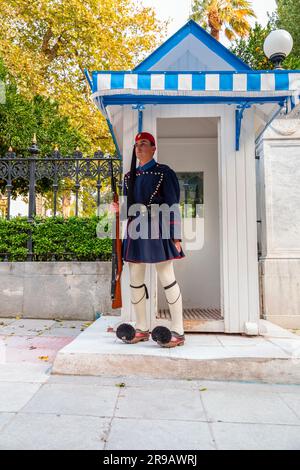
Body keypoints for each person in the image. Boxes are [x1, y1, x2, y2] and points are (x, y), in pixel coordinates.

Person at [111, 132, 186, 348]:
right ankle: (142, 328)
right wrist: (118, 209)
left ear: (154, 148)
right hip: (136, 230)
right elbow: (128, 210)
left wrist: (176, 236)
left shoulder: (164, 172)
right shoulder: (128, 177)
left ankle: (178, 331)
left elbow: (173, 204)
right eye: (136, 145)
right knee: (135, 279)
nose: (139, 148)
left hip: (159, 227)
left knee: (166, 276)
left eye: (144, 144)